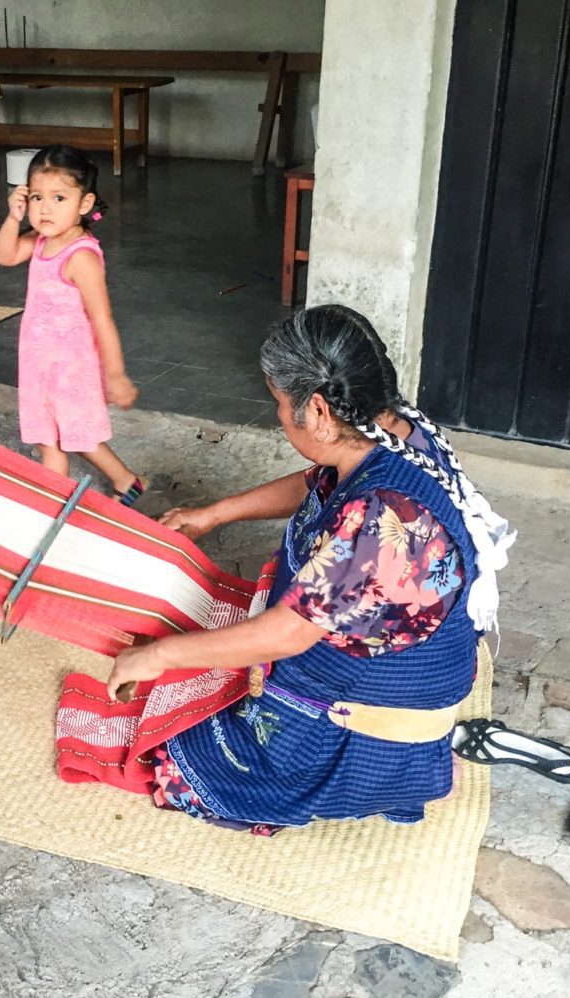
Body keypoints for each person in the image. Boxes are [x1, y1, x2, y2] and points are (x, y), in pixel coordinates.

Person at [64, 304, 515, 832]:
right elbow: (317, 480)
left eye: (280, 404)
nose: (279, 418)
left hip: (366, 732)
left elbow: (285, 635)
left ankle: (373, 775)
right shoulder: (393, 430)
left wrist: (158, 657)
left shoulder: (386, 523)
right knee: (205, 648)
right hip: (389, 661)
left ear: (320, 411)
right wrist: (213, 513)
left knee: (169, 755)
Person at [0, 145, 145, 506]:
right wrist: (13, 219)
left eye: (59, 197)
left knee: (77, 438)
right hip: (38, 362)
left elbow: (102, 319)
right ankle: (127, 481)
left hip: (71, 367)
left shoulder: (81, 256)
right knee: (50, 437)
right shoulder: (41, 241)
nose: (44, 207)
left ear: (84, 202)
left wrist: (117, 374)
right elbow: (5, 255)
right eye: (36, 197)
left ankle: (54, 511)